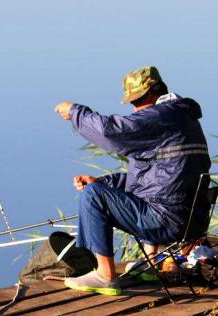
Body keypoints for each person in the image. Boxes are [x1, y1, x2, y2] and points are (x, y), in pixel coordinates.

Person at [54, 66, 210, 295]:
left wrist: (76, 113)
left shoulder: (162, 116)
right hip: (190, 222)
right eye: (132, 102)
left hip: (166, 221)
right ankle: (152, 262)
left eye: (138, 100)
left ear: (155, 92)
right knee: (99, 188)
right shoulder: (183, 118)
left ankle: (105, 275)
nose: (135, 108)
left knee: (92, 196)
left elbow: (111, 132)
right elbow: (154, 177)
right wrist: (103, 182)